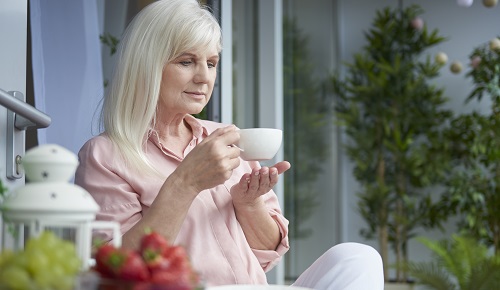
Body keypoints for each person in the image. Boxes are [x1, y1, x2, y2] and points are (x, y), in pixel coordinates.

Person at [74, 0, 384, 289]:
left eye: (211, 63)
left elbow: (268, 253)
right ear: (147, 65)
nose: (203, 77)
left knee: (357, 257)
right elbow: (117, 267)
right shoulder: (105, 155)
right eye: (187, 61)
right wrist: (185, 183)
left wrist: (248, 205)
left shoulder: (226, 138)